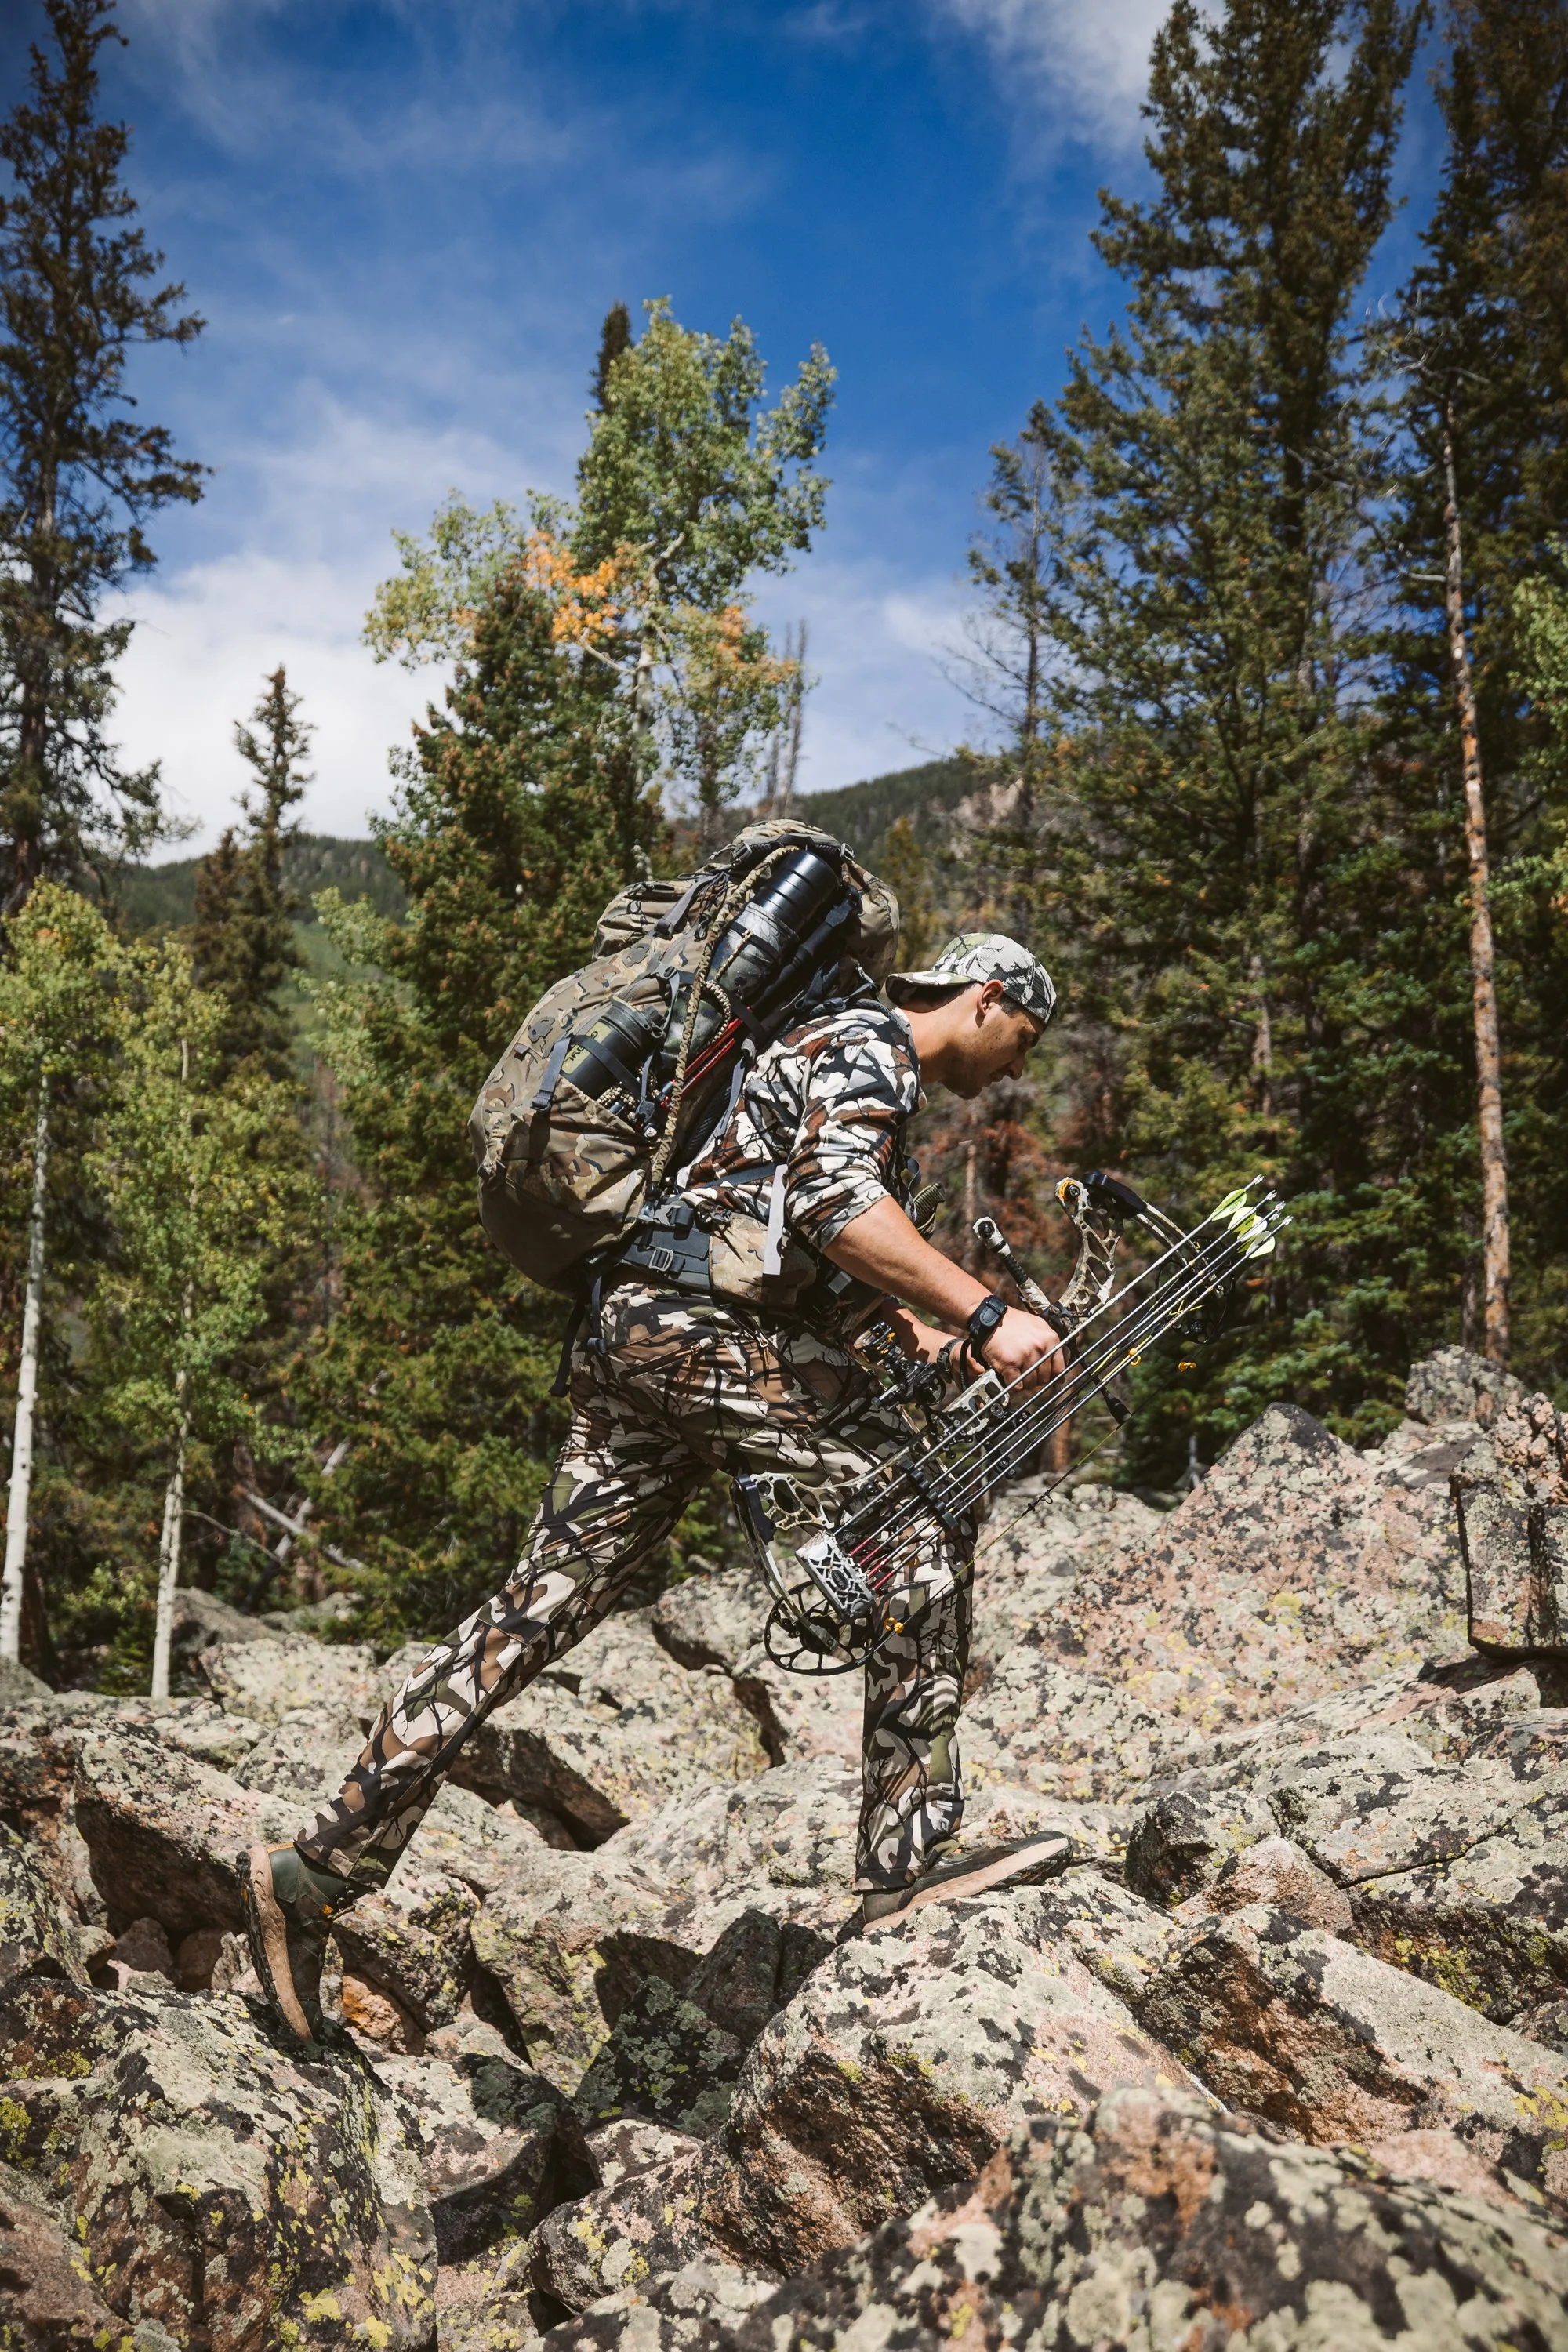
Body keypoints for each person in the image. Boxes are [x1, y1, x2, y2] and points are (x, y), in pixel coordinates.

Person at [243, 931, 1068, 2047]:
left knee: (536, 1610)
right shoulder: (869, 1043)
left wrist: (936, 1337)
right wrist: (985, 1310)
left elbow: (809, 1257)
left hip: (637, 1336)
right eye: (1026, 1033)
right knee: (909, 1519)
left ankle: (317, 1869)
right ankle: (907, 1862)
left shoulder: (823, 1050)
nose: (1019, 1064)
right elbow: (835, 1206)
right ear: (986, 997)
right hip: (700, 1339)